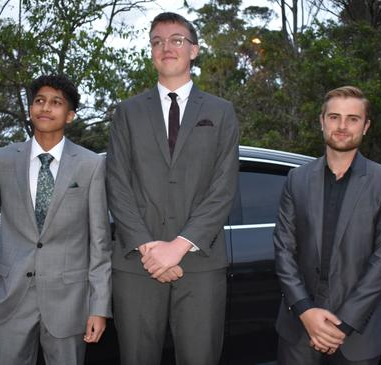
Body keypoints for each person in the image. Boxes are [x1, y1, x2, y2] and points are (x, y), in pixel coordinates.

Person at [106, 12, 239, 365]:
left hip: (200, 264)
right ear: (151, 52)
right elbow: (116, 183)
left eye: (176, 39)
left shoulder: (221, 112)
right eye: (157, 41)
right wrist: (152, 250)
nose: (166, 47)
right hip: (137, 264)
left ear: (193, 50)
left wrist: (178, 247)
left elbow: (223, 187)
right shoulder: (127, 112)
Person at [0, 75, 112, 365]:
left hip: (69, 301)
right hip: (9, 298)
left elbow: (100, 242)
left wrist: (98, 306)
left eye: (56, 102)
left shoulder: (91, 165)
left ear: (69, 115)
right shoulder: (2, 159)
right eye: (39, 101)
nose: (46, 107)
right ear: (31, 108)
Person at [273, 86, 381, 365]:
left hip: (358, 333)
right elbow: (284, 249)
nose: (342, 126)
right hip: (298, 327)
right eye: (334, 117)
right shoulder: (296, 179)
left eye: (353, 119)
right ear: (322, 121)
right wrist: (305, 311)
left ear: (366, 126)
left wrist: (342, 325)